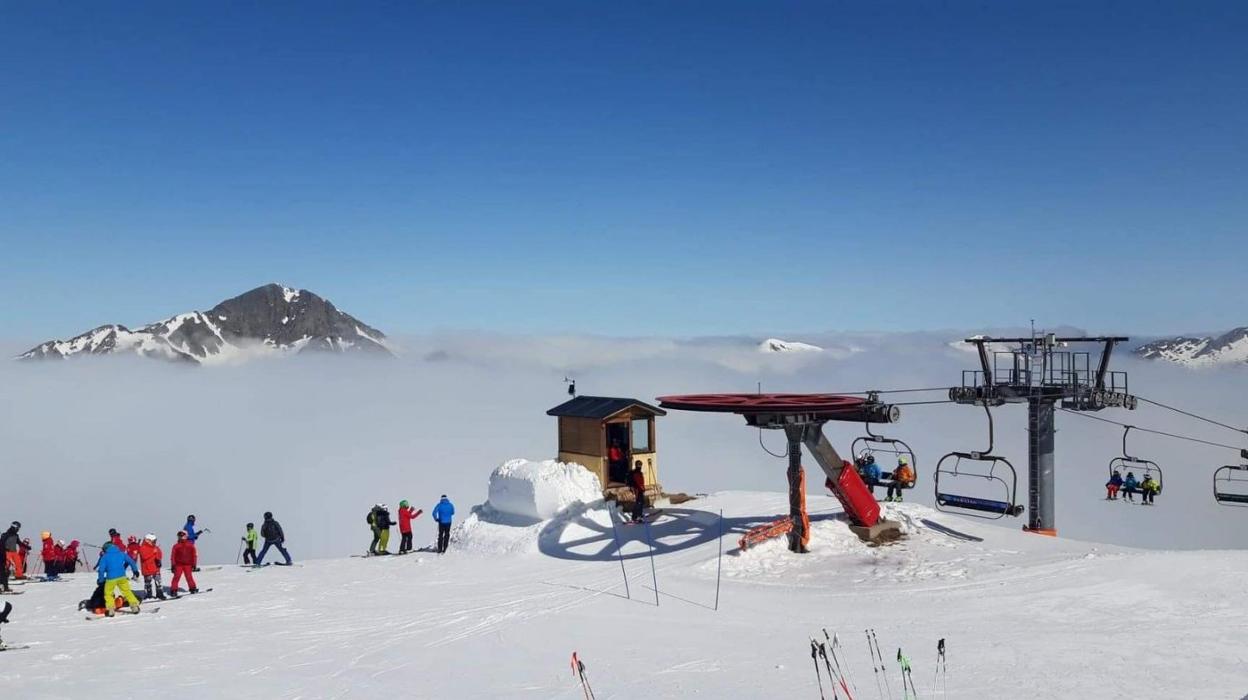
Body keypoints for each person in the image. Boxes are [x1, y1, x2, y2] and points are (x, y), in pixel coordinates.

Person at [96, 541, 141, 616]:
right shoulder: (121, 553)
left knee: (108, 593)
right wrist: (135, 571)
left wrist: (101, 580)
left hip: (110, 578)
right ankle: (134, 606)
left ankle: (110, 609)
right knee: (127, 591)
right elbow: (131, 562)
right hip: (122, 577)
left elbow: (101, 570)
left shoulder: (105, 556)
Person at [169, 531, 198, 596]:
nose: (181, 537)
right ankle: (173, 589)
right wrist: (173, 565)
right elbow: (173, 556)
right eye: (179, 536)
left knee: (189, 577)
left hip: (188, 564)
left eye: (182, 536)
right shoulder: (176, 546)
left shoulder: (190, 545)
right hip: (178, 565)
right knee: (176, 577)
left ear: (186, 536)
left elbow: (194, 555)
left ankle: (192, 588)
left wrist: (194, 564)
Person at [138, 534, 166, 600]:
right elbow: (144, 556)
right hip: (147, 568)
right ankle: (148, 595)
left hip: (155, 568)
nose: (154, 542)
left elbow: (160, 554)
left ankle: (160, 594)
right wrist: (153, 552)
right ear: (147, 540)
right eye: (153, 541)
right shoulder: (142, 547)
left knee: (158, 582)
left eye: (155, 541)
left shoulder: (155, 547)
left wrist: (158, 558)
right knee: (148, 583)